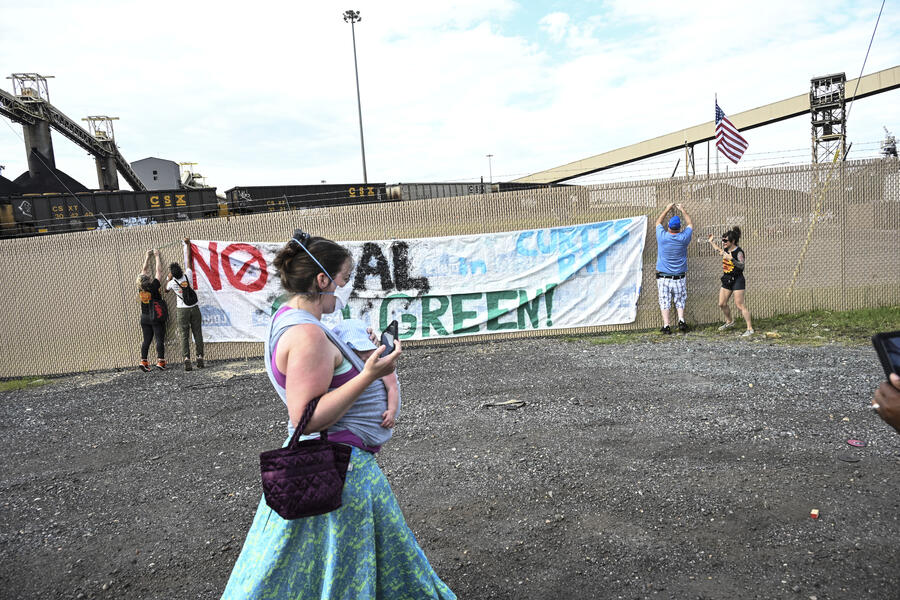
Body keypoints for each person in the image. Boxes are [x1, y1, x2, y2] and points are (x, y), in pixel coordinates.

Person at [221, 230, 455, 600]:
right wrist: (370, 376)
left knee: (308, 563)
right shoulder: (308, 336)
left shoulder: (292, 317)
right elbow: (307, 419)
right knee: (347, 567)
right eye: (343, 280)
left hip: (335, 463)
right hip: (335, 467)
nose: (344, 291)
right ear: (322, 280)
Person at [332, 318, 400, 429]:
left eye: (366, 350)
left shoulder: (380, 359)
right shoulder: (336, 363)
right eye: (356, 352)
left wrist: (391, 411)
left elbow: (393, 387)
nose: (364, 357)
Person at [165, 240, 205, 371]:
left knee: (184, 334)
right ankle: (199, 356)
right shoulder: (187, 275)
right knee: (197, 332)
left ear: (172, 273)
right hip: (194, 307)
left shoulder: (172, 283)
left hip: (182, 310)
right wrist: (187, 245)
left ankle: (187, 358)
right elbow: (188, 260)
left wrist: (168, 278)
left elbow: (165, 290)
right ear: (181, 270)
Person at [707, 227, 754, 337]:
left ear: (732, 241)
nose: (723, 242)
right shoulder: (726, 250)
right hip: (727, 279)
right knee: (722, 304)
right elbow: (719, 250)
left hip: (737, 279)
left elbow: (742, 266)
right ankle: (729, 322)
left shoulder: (738, 252)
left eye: (725, 241)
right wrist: (711, 242)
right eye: (722, 240)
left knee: (739, 304)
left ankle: (750, 328)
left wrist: (731, 259)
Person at [654, 202, 693, 334]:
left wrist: (666, 209)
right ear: (679, 228)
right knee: (680, 299)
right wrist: (682, 210)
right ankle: (681, 320)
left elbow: (658, 223)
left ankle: (666, 325)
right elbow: (690, 225)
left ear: (669, 227)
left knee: (664, 301)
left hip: (664, 277)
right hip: (679, 276)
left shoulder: (662, 237)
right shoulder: (683, 238)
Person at [137, 248, 168, 371]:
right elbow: (159, 271)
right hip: (155, 316)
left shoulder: (140, 288)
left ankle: (143, 361)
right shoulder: (154, 286)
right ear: (148, 280)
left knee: (146, 340)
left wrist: (146, 256)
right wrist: (156, 256)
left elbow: (144, 270)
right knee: (159, 339)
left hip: (144, 317)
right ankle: (161, 362)